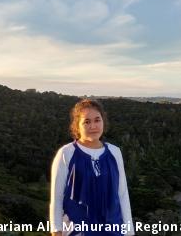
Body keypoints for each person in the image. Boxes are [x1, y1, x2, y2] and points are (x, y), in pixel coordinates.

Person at [49, 99, 135, 236]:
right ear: (77, 126)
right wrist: (56, 231)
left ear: (103, 122)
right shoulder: (66, 153)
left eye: (97, 120)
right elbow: (57, 197)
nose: (93, 126)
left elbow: (122, 194)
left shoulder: (115, 152)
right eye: (87, 122)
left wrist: (129, 232)